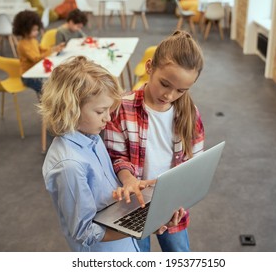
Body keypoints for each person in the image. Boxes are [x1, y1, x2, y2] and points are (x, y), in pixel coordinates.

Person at [39, 56, 183, 252]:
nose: (108, 118)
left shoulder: (93, 136)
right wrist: (145, 226)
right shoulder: (68, 165)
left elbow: (105, 190)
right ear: (70, 110)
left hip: (125, 244)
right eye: (101, 111)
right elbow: (85, 233)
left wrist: (137, 185)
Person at [104, 30, 205, 252]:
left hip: (173, 206)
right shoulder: (122, 107)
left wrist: (178, 202)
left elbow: (194, 167)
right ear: (150, 67)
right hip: (134, 205)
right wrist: (129, 179)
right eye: (165, 84)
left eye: (181, 90)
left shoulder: (190, 113)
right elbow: (116, 156)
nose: (169, 95)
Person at [12, 10, 64, 96]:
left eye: (37, 29)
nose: (37, 32)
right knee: (47, 90)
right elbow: (35, 59)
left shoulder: (33, 40)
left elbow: (41, 49)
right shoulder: (22, 45)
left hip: (37, 71)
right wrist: (51, 51)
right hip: (28, 76)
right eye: (34, 30)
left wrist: (54, 48)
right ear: (24, 30)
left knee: (54, 83)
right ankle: (47, 106)